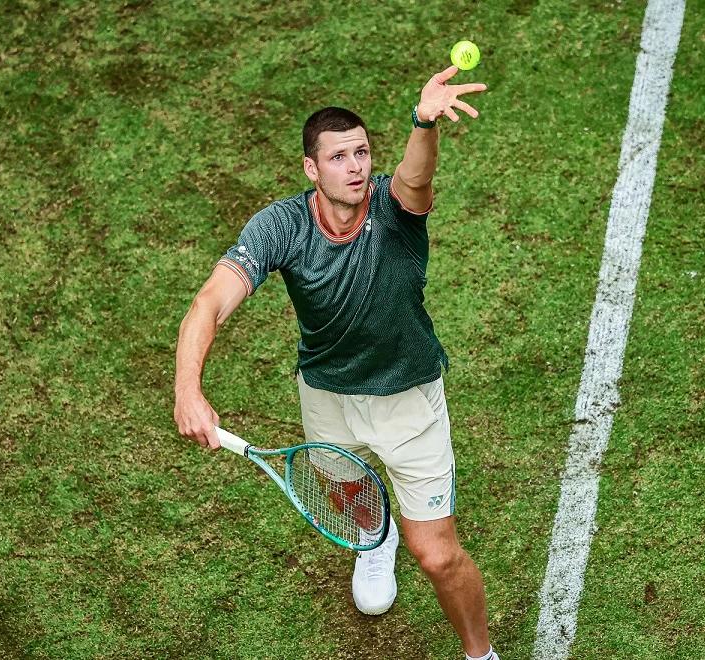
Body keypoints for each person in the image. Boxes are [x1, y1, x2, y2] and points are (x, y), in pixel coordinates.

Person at [173, 67, 498, 660]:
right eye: (340, 157)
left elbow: (415, 178)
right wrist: (186, 392)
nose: (355, 167)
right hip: (327, 395)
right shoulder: (282, 226)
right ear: (311, 169)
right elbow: (209, 302)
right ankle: (374, 541)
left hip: (407, 398)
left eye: (363, 153)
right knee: (353, 498)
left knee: (438, 555)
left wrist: (424, 123)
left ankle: (481, 656)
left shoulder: (394, 209)